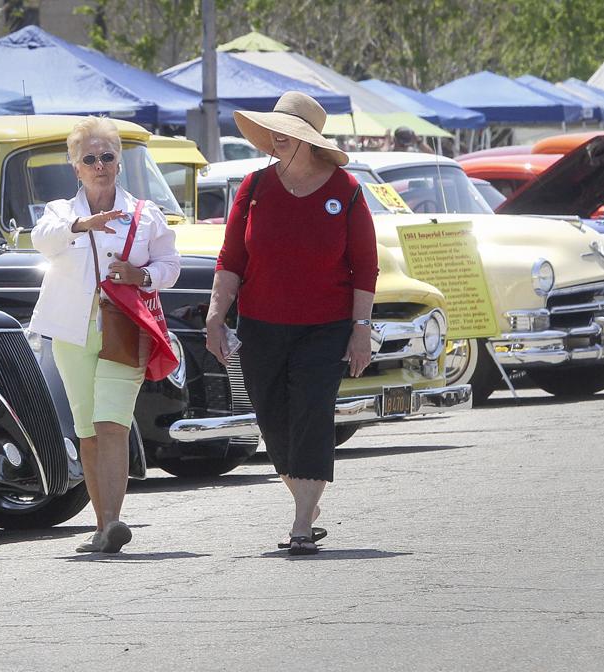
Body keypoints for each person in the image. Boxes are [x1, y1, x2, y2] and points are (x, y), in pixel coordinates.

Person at [205, 92, 378, 556]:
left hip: (327, 325)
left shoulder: (346, 190)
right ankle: (307, 498)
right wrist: (215, 316)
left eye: (287, 131)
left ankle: (302, 521)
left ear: (309, 139)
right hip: (261, 323)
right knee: (271, 418)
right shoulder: (254, 187)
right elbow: (230, 259)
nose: (276, 138)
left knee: (311, 411)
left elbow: (365, 265)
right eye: (274, 130)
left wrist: (361, 328)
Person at [30, 116, 180, 554]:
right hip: (71, 332)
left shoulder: (145, 214)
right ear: (75, 166)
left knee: (111, 424)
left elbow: (170, 266)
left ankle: (112, 522)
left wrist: (143, 274)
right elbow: (42, 242)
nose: (99, 165)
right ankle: (101, 525)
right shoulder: (60, 212)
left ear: (120, 162)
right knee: (86, 429)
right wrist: (82, 225)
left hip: (125, 328)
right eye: (89, 158)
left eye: (107, 156)